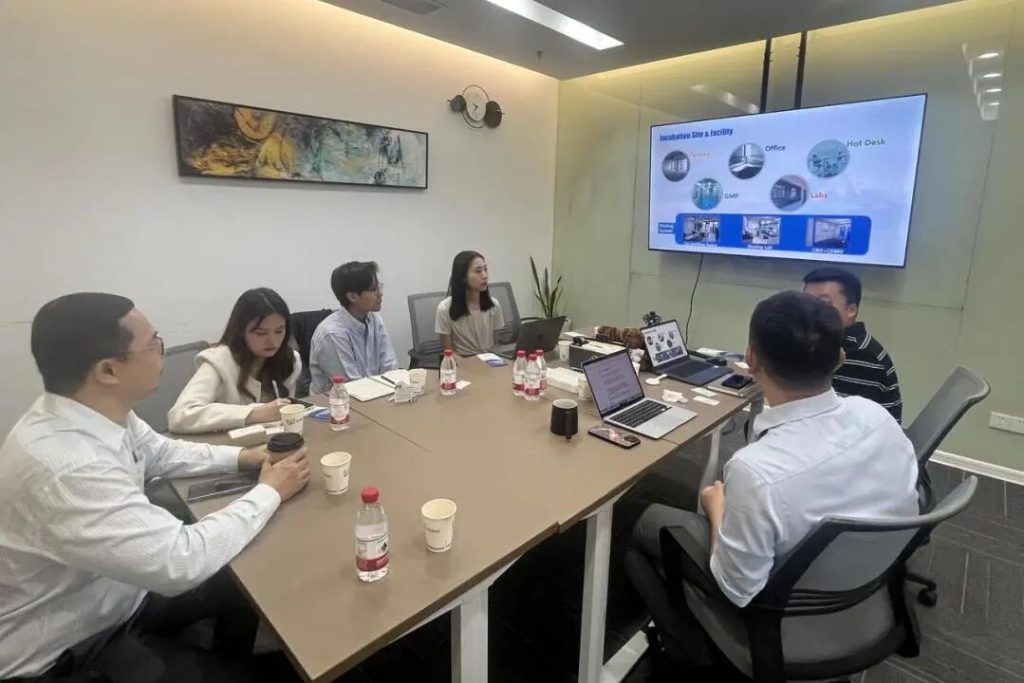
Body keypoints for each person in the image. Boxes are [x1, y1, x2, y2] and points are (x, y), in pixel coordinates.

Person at [0, 293, 311, 682]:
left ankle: (227, 657)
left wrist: (243, 458)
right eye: (154, 344)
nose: (163, 352)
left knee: (243, 578)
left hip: (121, 592)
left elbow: (162, 452)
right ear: (108, 370)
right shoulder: (67, 466)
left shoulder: (97, 411)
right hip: (69, 650)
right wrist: (269, 491)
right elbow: (180, 561)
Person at [624, 291, 919, 673]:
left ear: (751, 358)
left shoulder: (756, 471)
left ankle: (691, 653)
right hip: (868, 596)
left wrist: (717, 507)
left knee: (639, 521)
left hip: (782, 627)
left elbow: (737, 588)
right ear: (840, 359)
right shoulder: (879, 419)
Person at [168, 288, 302, 434]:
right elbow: (180, 416)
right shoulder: (218, 361)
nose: (272, 341)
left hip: (270, 441)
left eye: (279, 331)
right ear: (241, 331)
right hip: (223, 444)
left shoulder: (289, 360)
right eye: (261, 333)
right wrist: (254, 413)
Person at [802, 267, 903, 422]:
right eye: (805, 302)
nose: (810, 311)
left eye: (823, 303)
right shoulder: (822, 340)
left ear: (851, 310)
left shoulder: (860, 354)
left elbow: (842, 424)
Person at [309, 261, 397, 393]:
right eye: (373, 289)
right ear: (352, 296)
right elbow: (352, 387)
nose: (380, 294)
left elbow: (390, 369)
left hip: (375, 395)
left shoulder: (375, 320)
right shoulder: (332, 334)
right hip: (337, 402)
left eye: (379, 287)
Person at [435, 250, 505, 356]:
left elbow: (496, 345)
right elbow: (449, 353)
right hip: (462, 362)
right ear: (463, 277)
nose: (484, 275)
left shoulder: (494, 305)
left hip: (490, 360)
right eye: (478, 271)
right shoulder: (444, 309)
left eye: (485, 269)